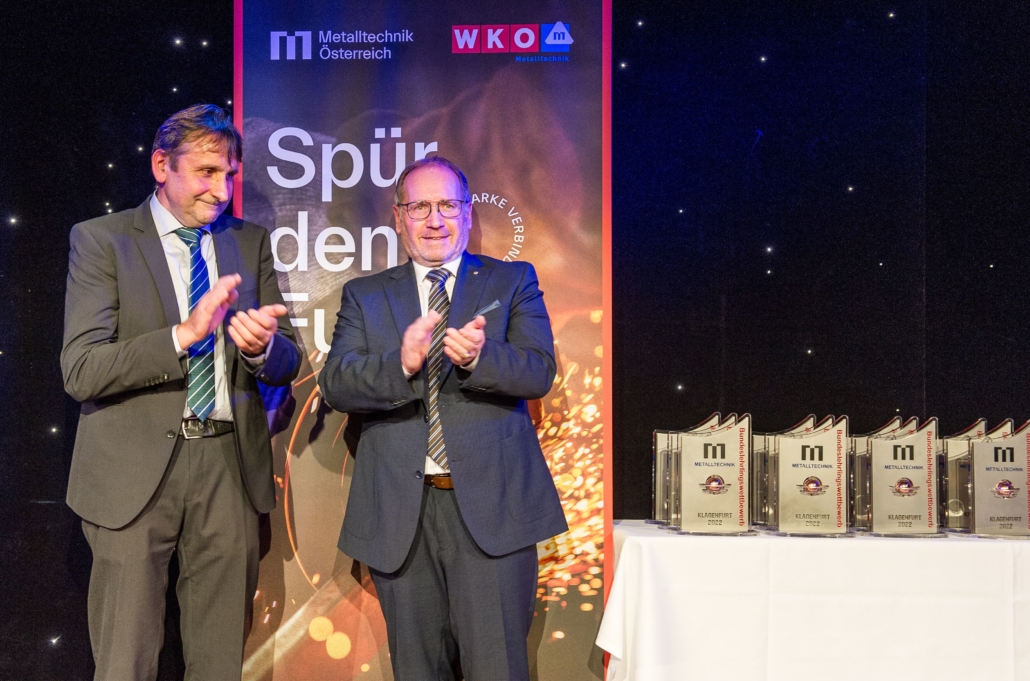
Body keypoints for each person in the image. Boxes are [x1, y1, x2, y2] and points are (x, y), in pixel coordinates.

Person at [61, 104, 301, 680]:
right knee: (126, 662)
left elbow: (289, 359)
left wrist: (262, 350)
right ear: (161, 165)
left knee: (219, 663)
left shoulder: (250, 241)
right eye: (206, 173)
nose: (221, 191)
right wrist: (181, 337)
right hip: (132, 475)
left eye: (229, 175)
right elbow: (82, 370)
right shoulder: (102, 241)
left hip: (227, 469)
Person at [317, 156, 568, 680]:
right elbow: (336, 383)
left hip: (493, 514)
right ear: (398, 216)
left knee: (498, 669)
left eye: (448, 205)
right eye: (420, 207)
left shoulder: (512, 279)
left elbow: (538, 371)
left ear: (468, 213)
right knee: (417, 670)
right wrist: (400, 365)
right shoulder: (365, 295)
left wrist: (480, 358)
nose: (435, 220)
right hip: (400, 518)